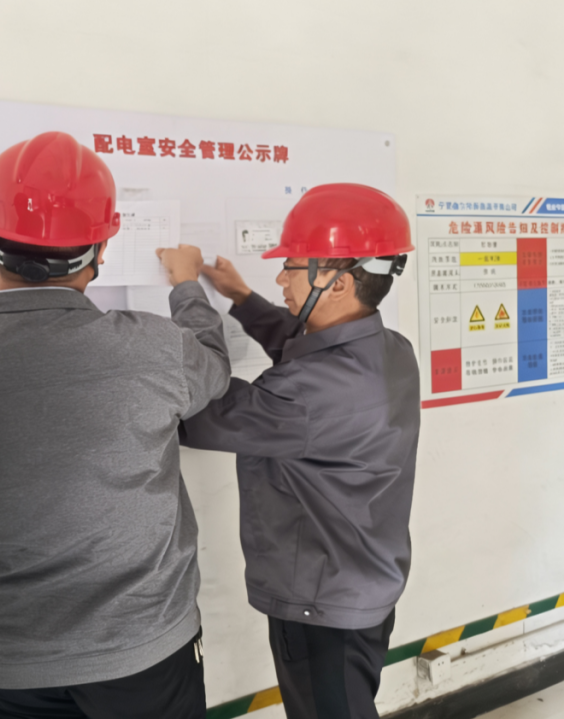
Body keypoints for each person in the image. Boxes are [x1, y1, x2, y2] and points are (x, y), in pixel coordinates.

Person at [0, 131, 230, 719]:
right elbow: (214, 366)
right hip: (146, 651)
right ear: (101, 248)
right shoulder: (156, 349)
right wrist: (187, 285)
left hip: (7, 660)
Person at [167, 183, 420, 719]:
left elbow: (196, 408)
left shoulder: (307, 394)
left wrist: (187, 290)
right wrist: (242, 299)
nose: (281, 279)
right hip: (363, 586)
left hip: (322, 607)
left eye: (291, 267)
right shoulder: (391, 350)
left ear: (337, 282)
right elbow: (308, 349)